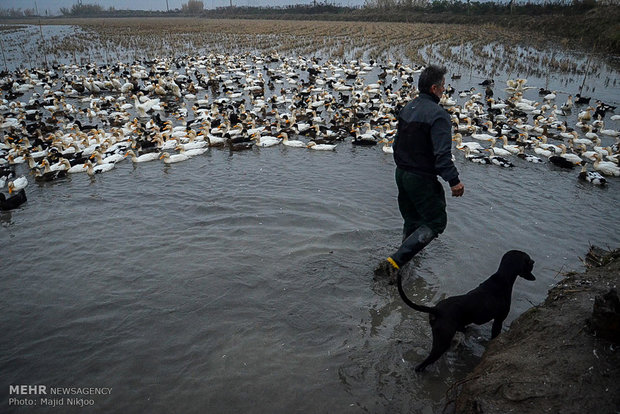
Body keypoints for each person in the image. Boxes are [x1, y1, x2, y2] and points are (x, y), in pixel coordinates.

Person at [374, 64, 464, 282]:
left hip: (401, 174)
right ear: (434, 88)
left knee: (412, 219)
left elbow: (396, 145)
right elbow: (442, 155)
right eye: (443, 85)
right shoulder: (438, 115)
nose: (445, 89)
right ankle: (394, 262)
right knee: (436, 222)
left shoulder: (408, 107)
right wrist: (454, 180)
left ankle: (402, 266)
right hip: (420, 178)